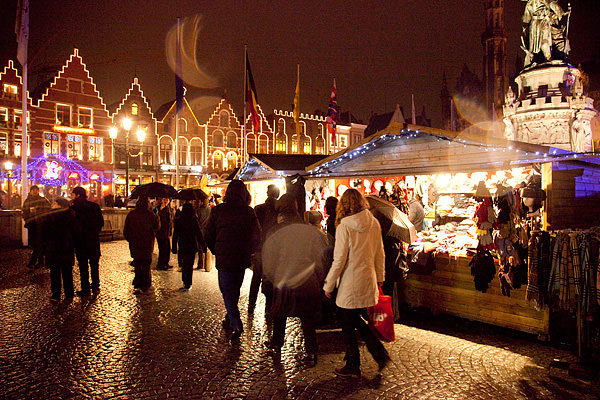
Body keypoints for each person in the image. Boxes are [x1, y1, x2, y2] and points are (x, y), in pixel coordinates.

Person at [323, 188, 390, 378]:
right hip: (367, 279)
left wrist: (328, 285)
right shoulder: (374, 223)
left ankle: (357, 363)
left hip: (349, 282)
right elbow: (380, 252)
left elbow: (339, 260)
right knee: (354, 320)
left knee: (348, 324)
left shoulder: (344, 225)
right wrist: (379, 277)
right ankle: (369, 356)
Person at [262, 194, 328, 367]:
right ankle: (312, 350)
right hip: (307, 279)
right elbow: (320, 258)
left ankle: (277, 344)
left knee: (280, 313)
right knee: (307, 318)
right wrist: (320, 280)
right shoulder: (312, 231)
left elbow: (269, 259)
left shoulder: (275, 231)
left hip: (284, 279)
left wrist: (268, 281)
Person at [203, 180, 261, 339]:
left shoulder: (218, 211)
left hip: (224, 257)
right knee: (233, 289)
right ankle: (230, 318)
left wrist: (216, 250)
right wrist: (249, 251)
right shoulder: (248, 212)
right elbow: (257, 235)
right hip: (241, 257)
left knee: (227, 290)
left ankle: (235, 322)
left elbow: (208, 234)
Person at [248, 184, 279, 313]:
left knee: (256, 277)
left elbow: (252, 230)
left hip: (260, 248)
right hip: (274, 250)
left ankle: (251, 304)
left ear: (267, 193)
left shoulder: (258, 209)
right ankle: (269, 306)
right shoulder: (279, 210)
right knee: (271, 278)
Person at [70, 187, 104, 296]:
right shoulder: (94, 206)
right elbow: (101, 223)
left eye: (73, 194)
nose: (71, 196)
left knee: (83, 266)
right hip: (93, 239)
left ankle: (85, 288)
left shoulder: (74, 208)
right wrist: (94, 232)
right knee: (94, 264)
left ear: (77, 195)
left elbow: (71, 225)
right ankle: (95, 286)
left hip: (80, 241)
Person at [43, 197, 77, 302]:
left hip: (54, 247)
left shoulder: (51, 216)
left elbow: (45, 232)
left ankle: (56, 295)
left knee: (55, 272)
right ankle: (69, 294)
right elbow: (75, 232)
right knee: (67, 271)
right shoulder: (71, 215)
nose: (52, 204)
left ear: (59, 205)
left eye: (55, 203)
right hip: (67, 247)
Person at [123, 196, 159, 293]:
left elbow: (126, 230)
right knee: (146, 263)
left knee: (138, 263)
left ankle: (138, 282)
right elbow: (157, 227)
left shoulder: (132, 214)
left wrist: (131, 240)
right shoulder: (150, 214)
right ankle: (146, 284)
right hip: (147, 243)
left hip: (135, 243)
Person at [172, 203, 205, 290]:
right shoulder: (194, 221)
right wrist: (203, 246)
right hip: (192, 245)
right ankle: (188, 282)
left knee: (184, 263)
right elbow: (199, 234)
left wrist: (174, 247)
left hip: (183, 244)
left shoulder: (179, 221)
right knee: (189, 264)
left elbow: (175, 235)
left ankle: (184, 281)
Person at [22, 185, 51, 269]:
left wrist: (40, 212)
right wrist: (27, 219)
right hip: (32, 224)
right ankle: (41, 261)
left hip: (41, 224)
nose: (35, 191)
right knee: (35, 243)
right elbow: (24, 211)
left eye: (36, 190)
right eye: (33, 190)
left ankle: (33, 262)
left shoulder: (43, 200)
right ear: (30, 191)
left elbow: (48, 209)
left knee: (38, 243)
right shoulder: (27, 201)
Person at [154, 197, 173, 270]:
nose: (166, 201)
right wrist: (161, 209)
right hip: (161, 232)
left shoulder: (168, 208)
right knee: (162, 248)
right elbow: (157, 218)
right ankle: (160, 264)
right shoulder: (158, 209)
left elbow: (170, 220)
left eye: (167, 200)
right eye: (164, 199)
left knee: (167, 248)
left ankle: (166, 263)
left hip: (166, 232)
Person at [194, 196, 211, 270]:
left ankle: (200, 264)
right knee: (207, 249)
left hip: (200, 231)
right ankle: (207, 266)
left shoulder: (198, 210)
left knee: (200, 249)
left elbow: (196, 221)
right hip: (208, 231)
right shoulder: (210, 210)